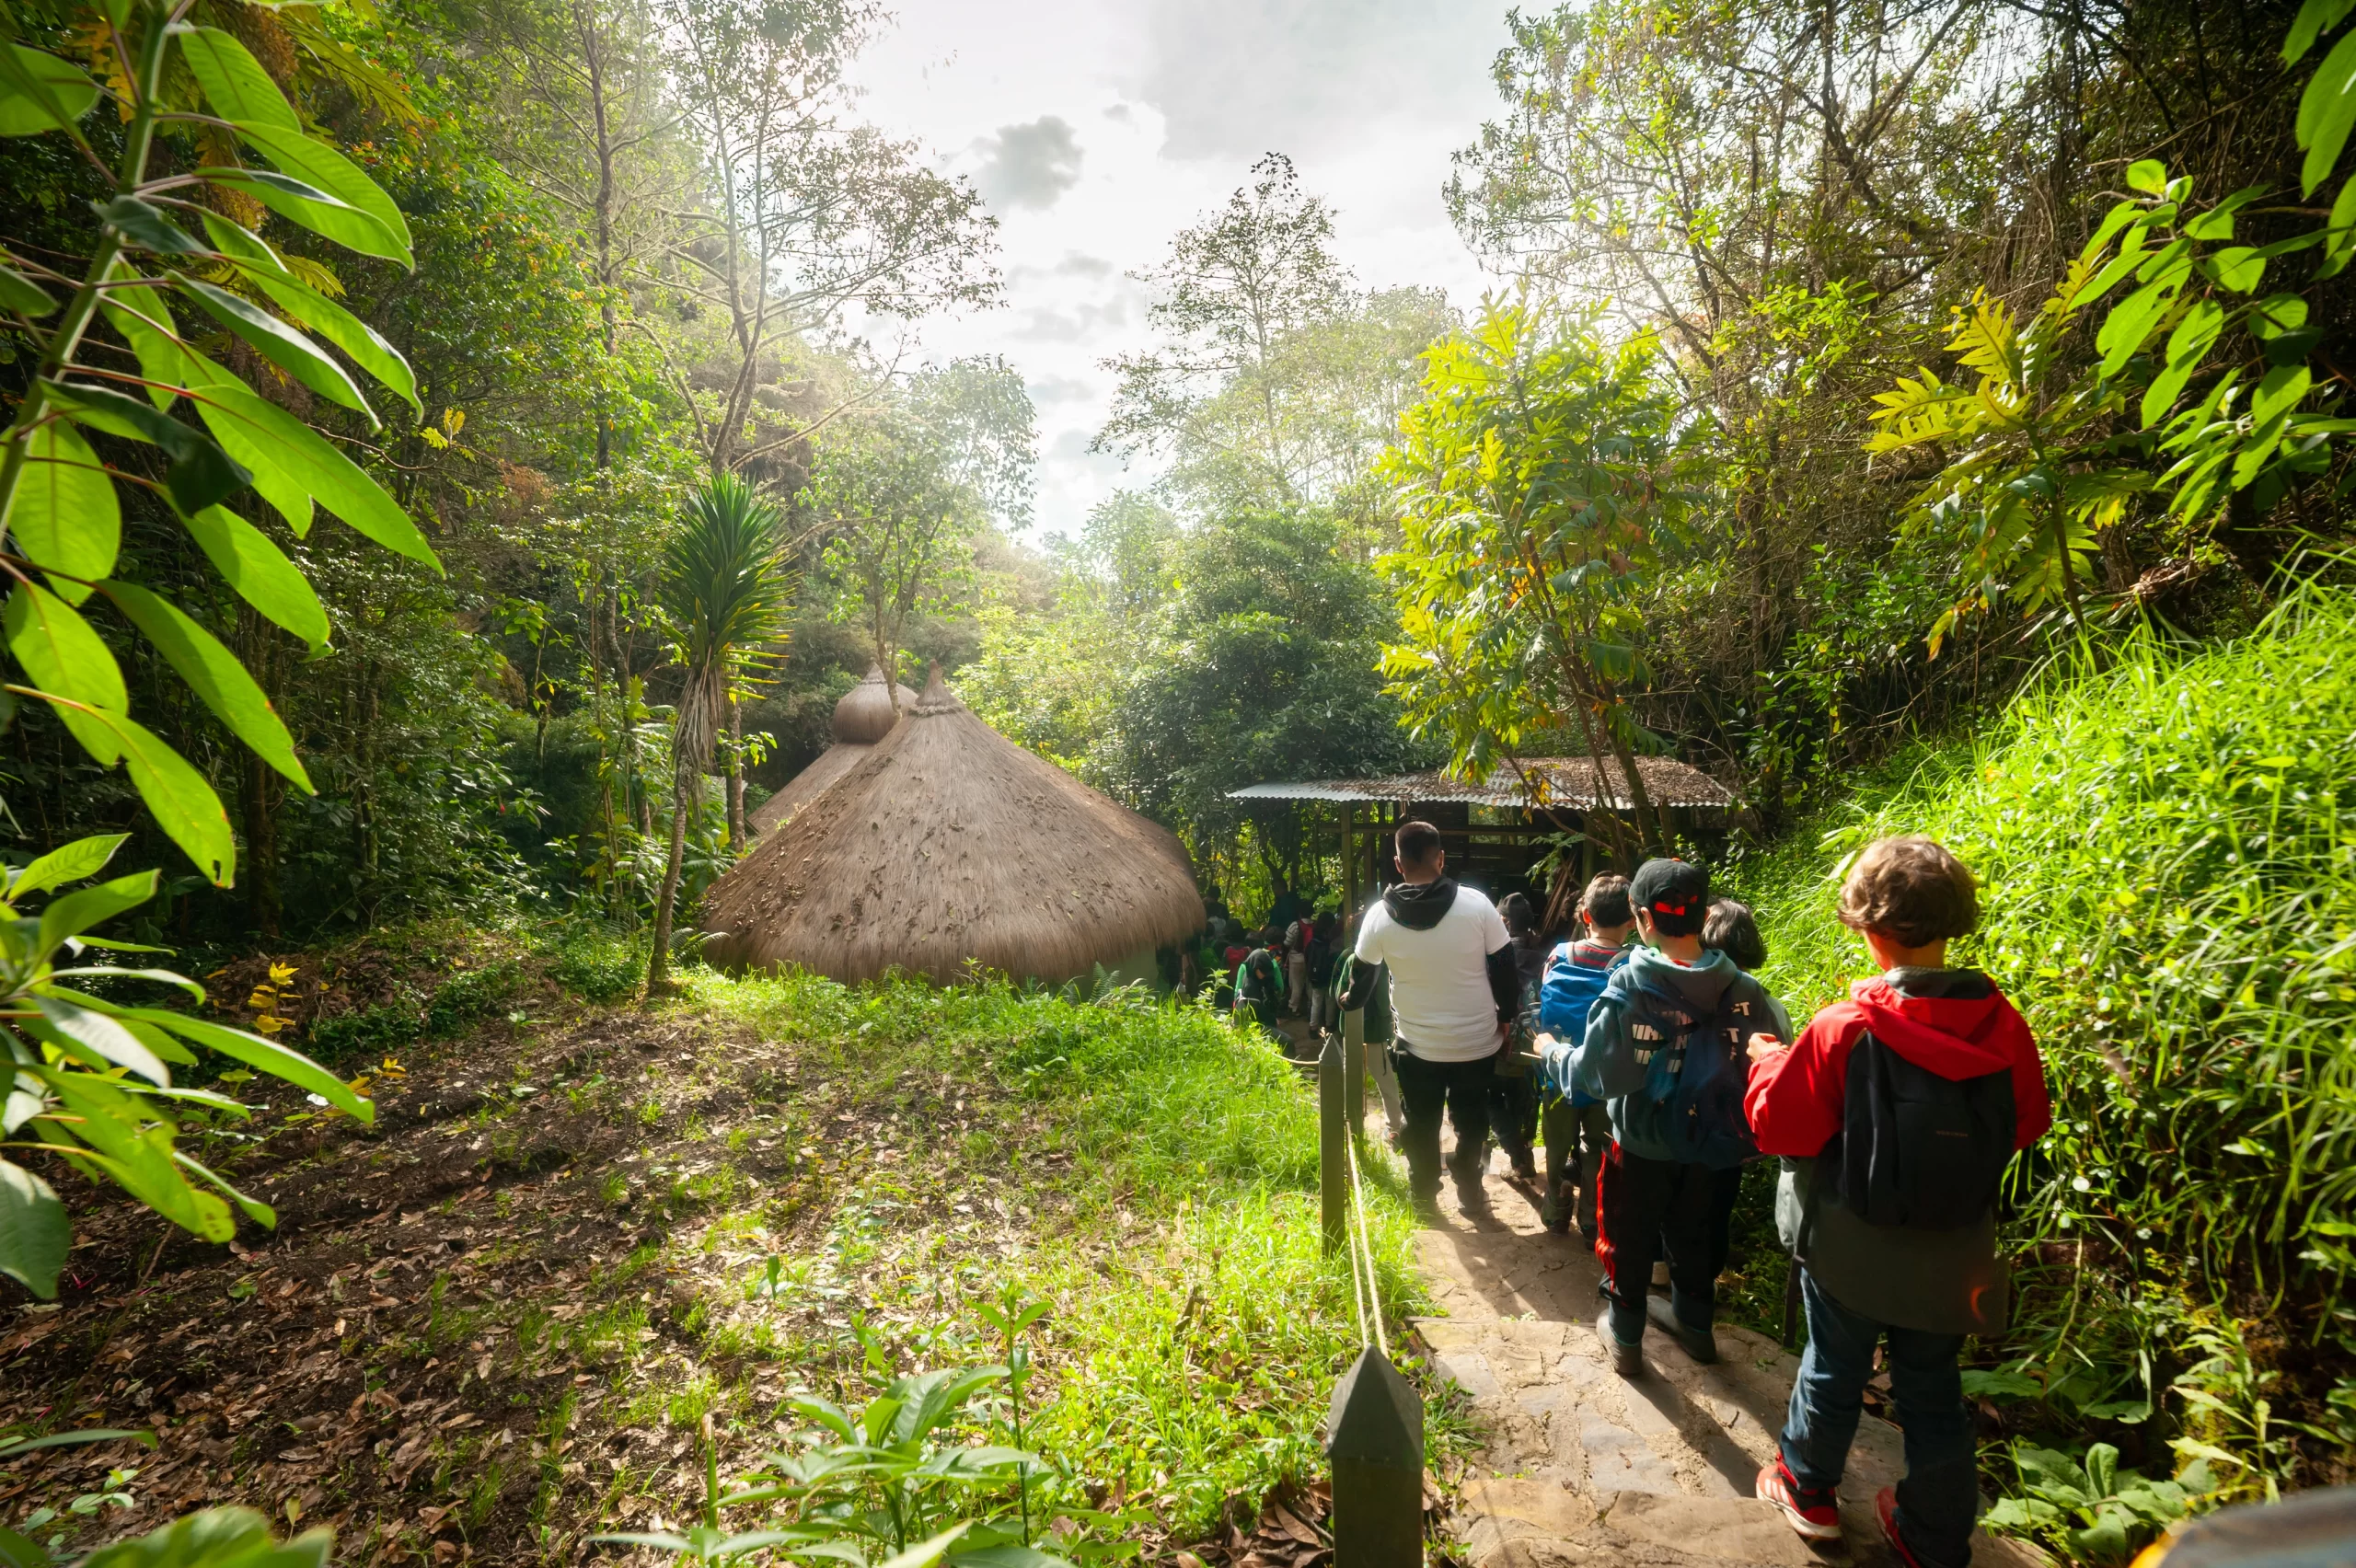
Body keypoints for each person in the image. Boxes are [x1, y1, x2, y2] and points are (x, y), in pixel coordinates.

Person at [1746, 837, 2050, 1568]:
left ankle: (1809, 1492)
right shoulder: (2004, 1026)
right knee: (1933, 1389)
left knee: (1833, 1364)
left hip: (1850, 1245)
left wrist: (1769, 1065)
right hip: (1955, 1248)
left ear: (1867, 928)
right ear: (1954, 921)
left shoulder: (1843, 1028)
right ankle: (1935, 1536)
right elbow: (2026, 1122)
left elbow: (1778, 1127)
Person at [1570, 857, 1782, 1377]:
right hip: (1711, 1144)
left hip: (1640, 1144)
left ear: (1642, 918)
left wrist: (1553, 1052)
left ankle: (1626, 1335)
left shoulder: (1628, 987)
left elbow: (1597, 1076)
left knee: (1629, 1234)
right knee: (1696, 1232)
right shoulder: (1747, 991)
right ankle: (1695, 1325)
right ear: (1703, 913)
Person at [1338, 822, 1517, 1215]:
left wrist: (1348, 1001)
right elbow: (1505, 967)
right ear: (1441, 859)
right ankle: (1470, 1188)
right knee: (1471, 1119)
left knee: (1421, 1122)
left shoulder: (1378, 917)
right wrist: (1507, 1019)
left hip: (1417, 1046)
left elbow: (1362, 979)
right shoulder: (1477, 904)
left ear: (1398, 864)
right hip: (1477, 1042)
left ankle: (1423, 1196)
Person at [1532, 874, 1634, 1237]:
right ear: (1633, 920)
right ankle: (1592, 1220)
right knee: (1598, 1149)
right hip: (1604, 1078)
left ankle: (1555, 1211)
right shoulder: (1632, 965)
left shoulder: (1558, 954)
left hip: (1555, 1069)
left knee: (1557, 1146)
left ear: (1585, 915)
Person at [1694, 897, 1788, 1277]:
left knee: (1677, 1204)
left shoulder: (1685, 995)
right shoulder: (1769, 1005)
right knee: (1718, 1207)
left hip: (1685, 1125)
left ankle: (1666, 1273)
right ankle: (1707, 1281)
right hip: (1735, 1131)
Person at [1491, 893, 1547, 1183]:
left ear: (1504, 921)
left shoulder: (1494, 959)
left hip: (1500, 1044)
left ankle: (1516, 1153)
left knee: (1491, 1097)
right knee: (1525, 1100)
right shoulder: (1545, 958)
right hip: (1536, 1047)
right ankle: (1524, 1154)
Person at [1231, 927, 1285, 1042]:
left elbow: (1238, 990)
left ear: (1249, 948)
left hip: (1249, 1008)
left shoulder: (1244, 965)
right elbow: (1280, 986)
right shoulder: (1272, 962)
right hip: (1268, 1007)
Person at [1283, 911, 1313, 1020]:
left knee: (1296, 984)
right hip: (1311, 959)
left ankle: (1293, 1008)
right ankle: (1311, 1008)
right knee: (1309, 984)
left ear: (1300, 913)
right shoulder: (1314, 925)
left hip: (1296, 958)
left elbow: (1286, 942)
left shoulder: (1295, 925)